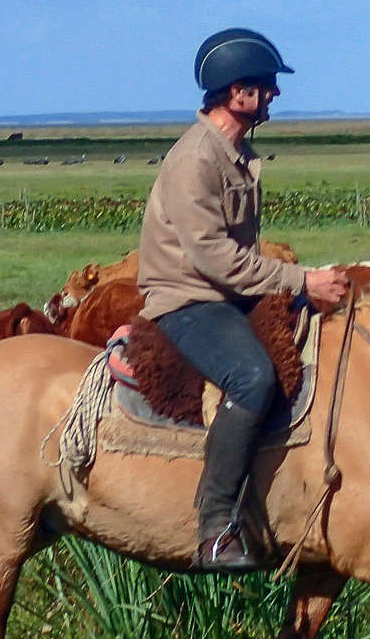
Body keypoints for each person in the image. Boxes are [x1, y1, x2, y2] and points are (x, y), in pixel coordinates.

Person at [138, 28, 350, 572]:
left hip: (225, 292)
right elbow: (214, 258)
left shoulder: (236, 152)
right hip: (188, 300)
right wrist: (301, 281)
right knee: (252, 375)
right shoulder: (195, 161)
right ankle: (213, 528)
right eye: (267, 86)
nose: (274, 95)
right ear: (238, 93)